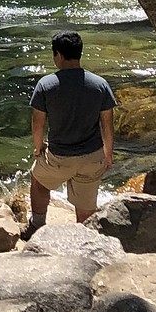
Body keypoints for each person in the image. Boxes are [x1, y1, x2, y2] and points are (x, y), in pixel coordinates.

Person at [28, 30, 116, 228]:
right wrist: (108, 155)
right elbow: (108, 126)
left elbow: (38, 124)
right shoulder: (100, 84)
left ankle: (37, 225)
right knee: (85, 209)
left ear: (58, 55)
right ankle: (83, 236)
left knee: (38, 179)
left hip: (59, 158)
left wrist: (38, 148)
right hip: (92, 157)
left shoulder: (45, 85)